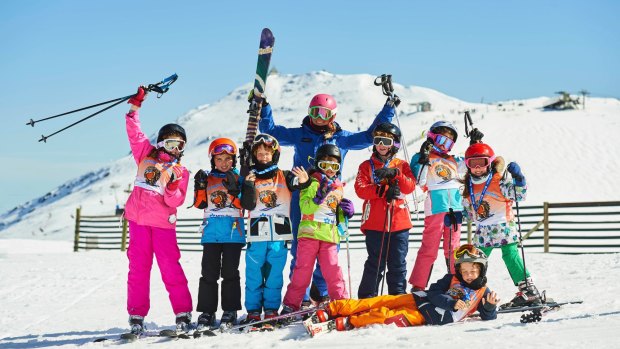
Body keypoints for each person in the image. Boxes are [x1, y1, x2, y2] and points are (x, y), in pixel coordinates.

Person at [259, 92, 396, 304]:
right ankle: (301, 297)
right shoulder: (300, 135)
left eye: (324, 113)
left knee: (331, 250)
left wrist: (389, 108)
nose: (318, 117)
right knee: (300, 248)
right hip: (303, 198)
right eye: (314, 112)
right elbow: (270, 132)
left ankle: (320, 291)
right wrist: (264, 106)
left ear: (333, 115)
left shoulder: (342, 138)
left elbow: (370, 136)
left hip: (331, 200)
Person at [122, 86, 193, 335]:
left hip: (163, 226)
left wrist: (172, 185)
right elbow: (134, 133)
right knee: (138, 269)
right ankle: (136, 315)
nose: (175, 149)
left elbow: (175, 202)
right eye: (172, 143)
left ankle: (183, 313)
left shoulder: (181, 172)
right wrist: (135, 107)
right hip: (139, 223)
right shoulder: (145, 155)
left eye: (180, 145)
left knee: (170, 268)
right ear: (162, 142)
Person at [313, 244, 499, 330]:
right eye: (464, 270)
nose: (467, 275)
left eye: (472, 271)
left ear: (481, 270)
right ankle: (334, 308)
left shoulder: (483, 292)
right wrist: (451, 303)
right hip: (419, 298)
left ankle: (350, 321)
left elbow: (487, 316)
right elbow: (433, 291)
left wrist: (490, 307)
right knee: (382, 301)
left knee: (386, 315)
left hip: (426, 316)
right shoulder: (451, 278)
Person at [239, 133, 310, 327]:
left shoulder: (284, 175)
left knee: (274, 274)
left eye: (267, 153)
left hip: (279, 234)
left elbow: (300, 185)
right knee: (254, 273)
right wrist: (248, 185)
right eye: (259, 153)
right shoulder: (250, 177)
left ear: (275, 155)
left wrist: (304, 180)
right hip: (257, 232)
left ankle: (271, 309)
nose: (263, 156)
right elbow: (248, 204)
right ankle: (253, 311)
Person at [461, 142, 542, 307]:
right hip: (483, 231)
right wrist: (457, 216)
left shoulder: (498, 181)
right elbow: (469, 212)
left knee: (510, 256)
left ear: (489, 163)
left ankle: (528, 291)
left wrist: (519, 179)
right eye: (472, 164)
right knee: (476, 259)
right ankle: (470, 291)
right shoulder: (468, 187)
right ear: (467, 165)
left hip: (503, 226)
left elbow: (519, 195)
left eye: (482, 163)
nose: (477, 168)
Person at [282, 144, 355, 313]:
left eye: (334, 166)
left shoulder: (338, 187)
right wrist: (317, 198)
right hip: (309, 234)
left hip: (329, 236)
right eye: (325, 165)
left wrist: (345, 212)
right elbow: (306, 208)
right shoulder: (311, 183)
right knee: (302, 272)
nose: (329, 170)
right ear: (318, 164)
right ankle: (291, 304)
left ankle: (340, 301)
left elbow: (336, 214)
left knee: (332, 271)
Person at [354, 122, 416, 298]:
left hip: (399, 223)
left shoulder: (402, 165)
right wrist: (382, 190)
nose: (381, 145)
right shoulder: (366, 166)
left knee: (397, 263)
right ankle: (367, 297)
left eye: (386, 141)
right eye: (378, 140)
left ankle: (397, 295)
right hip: (375, 223)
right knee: (375, 262)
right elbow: (360, 189)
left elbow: (410, 187)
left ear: (395, 144)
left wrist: (396, 174)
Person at [192, 138, 246, 330]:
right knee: (208, 273)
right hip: (211, 233)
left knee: (230, 273)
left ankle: (230, 310)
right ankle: (207, 311)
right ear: (213, 160)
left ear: (234, 160)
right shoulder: (208, 178)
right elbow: (200, 204)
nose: (224, 163)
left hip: (233, 234)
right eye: (220, 159)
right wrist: (199, 187)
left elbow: (246, 206)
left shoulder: (240, 177)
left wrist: (235, 191)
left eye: (228, 159)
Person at [408, 121, 466, 291]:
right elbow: (420, 181)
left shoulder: (454, 160)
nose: (444, 145)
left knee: (454, 248)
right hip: (436, 207)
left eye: (449, 142)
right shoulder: (421, 157)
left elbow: (474, 163)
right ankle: (418, 285)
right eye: (441, 139)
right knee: (429, 247)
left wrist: (476, 145)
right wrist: (424, 159)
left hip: (455, 208)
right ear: (431, 138)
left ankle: (456, 282)